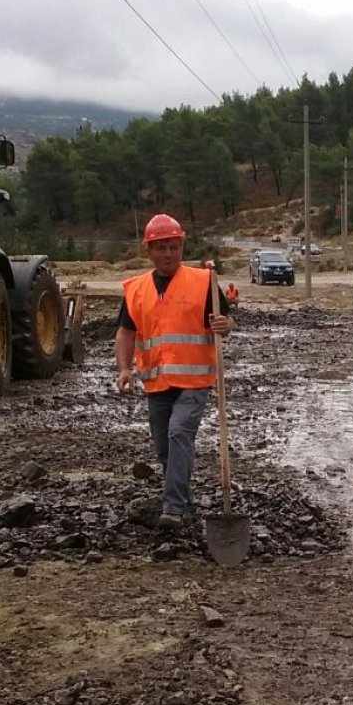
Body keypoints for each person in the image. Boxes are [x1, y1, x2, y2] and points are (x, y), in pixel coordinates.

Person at [115, 214, 233, 531]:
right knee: (165, 449)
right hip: (156, 382)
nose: (168, 254)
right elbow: (125, 333)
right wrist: (124, 369)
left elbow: (226, 321)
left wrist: (225, 325)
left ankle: (173, 509)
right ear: (149, 251)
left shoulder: (203, 282)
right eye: (161, 248)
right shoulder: (136, 289)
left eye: (174, 247)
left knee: (179, 432)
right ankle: (185, 501)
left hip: (195, 381)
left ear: (181, 247)